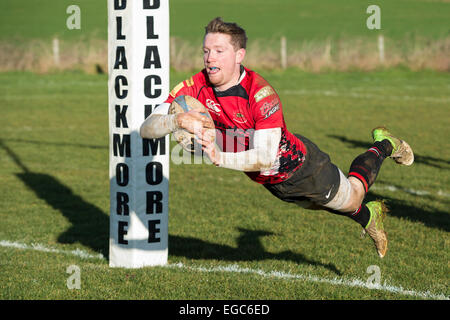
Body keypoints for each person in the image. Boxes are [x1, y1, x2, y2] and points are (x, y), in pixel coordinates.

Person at [140, 17, 414, 258]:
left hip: (303, 168)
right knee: (325, 206)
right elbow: (147, 128)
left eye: (219, 51)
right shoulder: (193, 87)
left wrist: (219, 156)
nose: (210, 58)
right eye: (206, 51)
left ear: (239, 55)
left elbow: (266, 156)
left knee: (353, 196)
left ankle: (385, 144)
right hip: (269, 182)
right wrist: (176, 120)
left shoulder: (260, 94)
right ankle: (370, 216)